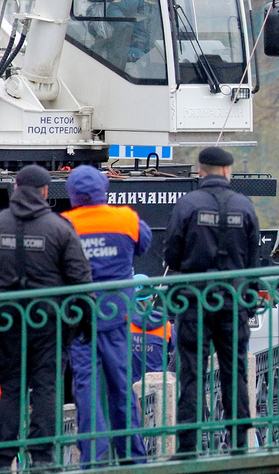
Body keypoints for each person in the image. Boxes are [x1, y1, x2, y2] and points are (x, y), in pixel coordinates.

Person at [163, 147, 259, 456]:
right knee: (235, 370)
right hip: (233, 300)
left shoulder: (187, 204)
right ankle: (239, 443)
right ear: (228, 171)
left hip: (194, 300)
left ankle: (188, 445)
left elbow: (172, 255)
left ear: (200, 171)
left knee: (191, 372)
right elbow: (253, 259)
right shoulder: (244, 206)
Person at [0, 165, 93, 470]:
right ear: (44, 192)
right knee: (46, 387)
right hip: (49, 322)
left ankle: (3, 456)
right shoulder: (60, 228)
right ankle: (42, 457)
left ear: (15, 188)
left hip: (8, 320)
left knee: (10, 385)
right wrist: (86, 324)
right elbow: (81, 281)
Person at [62, 165, 152, 465]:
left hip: (79, 317)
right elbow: (144, 245)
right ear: (104, 190)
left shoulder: (65, 224)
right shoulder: (125, 218)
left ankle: (93, 452)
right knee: (121, 383)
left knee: (85, 385)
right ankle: (132, 454)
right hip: (117, 315)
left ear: (72, 194)